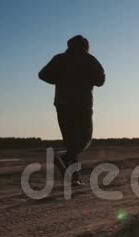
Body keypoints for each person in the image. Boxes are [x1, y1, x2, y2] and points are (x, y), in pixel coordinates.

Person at [39, 35, 105, 185]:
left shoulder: (59, 58)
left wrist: (60, 79)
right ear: (86, 46)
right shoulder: (89, 59)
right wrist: (86, 80)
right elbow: (101, 80)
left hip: (62, 104)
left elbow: (42, 75)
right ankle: (64, 159)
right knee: (84, 140)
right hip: (82, 104)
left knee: (71, 142)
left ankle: (73, 178)